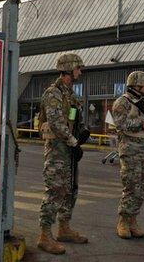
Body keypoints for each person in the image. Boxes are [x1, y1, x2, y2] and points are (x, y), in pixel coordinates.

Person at [37, 53, 88, 255]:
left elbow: (72, 117)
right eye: (78, 68)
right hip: (57, 150)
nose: (80, 72)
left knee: (70, 189)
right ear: (68, 69)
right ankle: (44, 235)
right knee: (55, 190)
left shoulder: (70, 94)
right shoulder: (54, 93)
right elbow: (56, 122)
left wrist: (81, 132)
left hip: (68, 149)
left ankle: (64, 228)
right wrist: (72, 140)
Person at [111, 71, 144, 239]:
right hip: (130, 150)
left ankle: (133, 219)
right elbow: (120, 124)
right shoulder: (122, 102)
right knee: (131, 186)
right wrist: (141, 123)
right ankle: (123, 221)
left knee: (142, 188)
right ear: (137, 85)